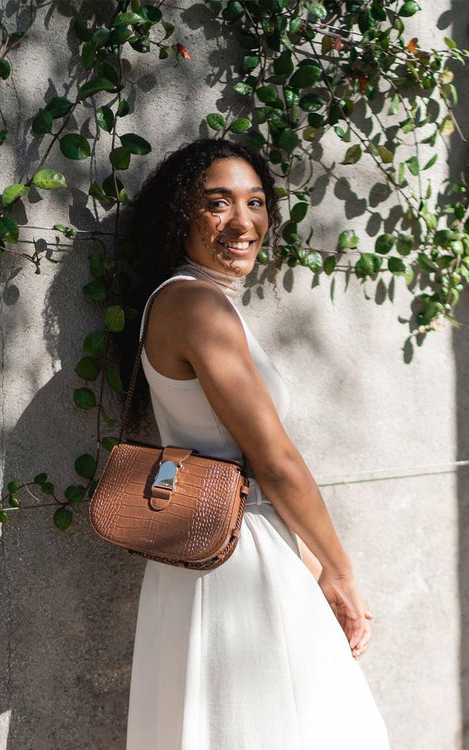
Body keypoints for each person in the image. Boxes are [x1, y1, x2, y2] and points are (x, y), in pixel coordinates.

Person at [119, 137, 390, 749]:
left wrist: (315, 566)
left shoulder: (197, 301)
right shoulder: (194, 304)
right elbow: (273, 458)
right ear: (180, 215)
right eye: (218, 204)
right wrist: (343, 573)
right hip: (236, 562)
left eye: (257, 201)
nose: (243, 222)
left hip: (215, 549)